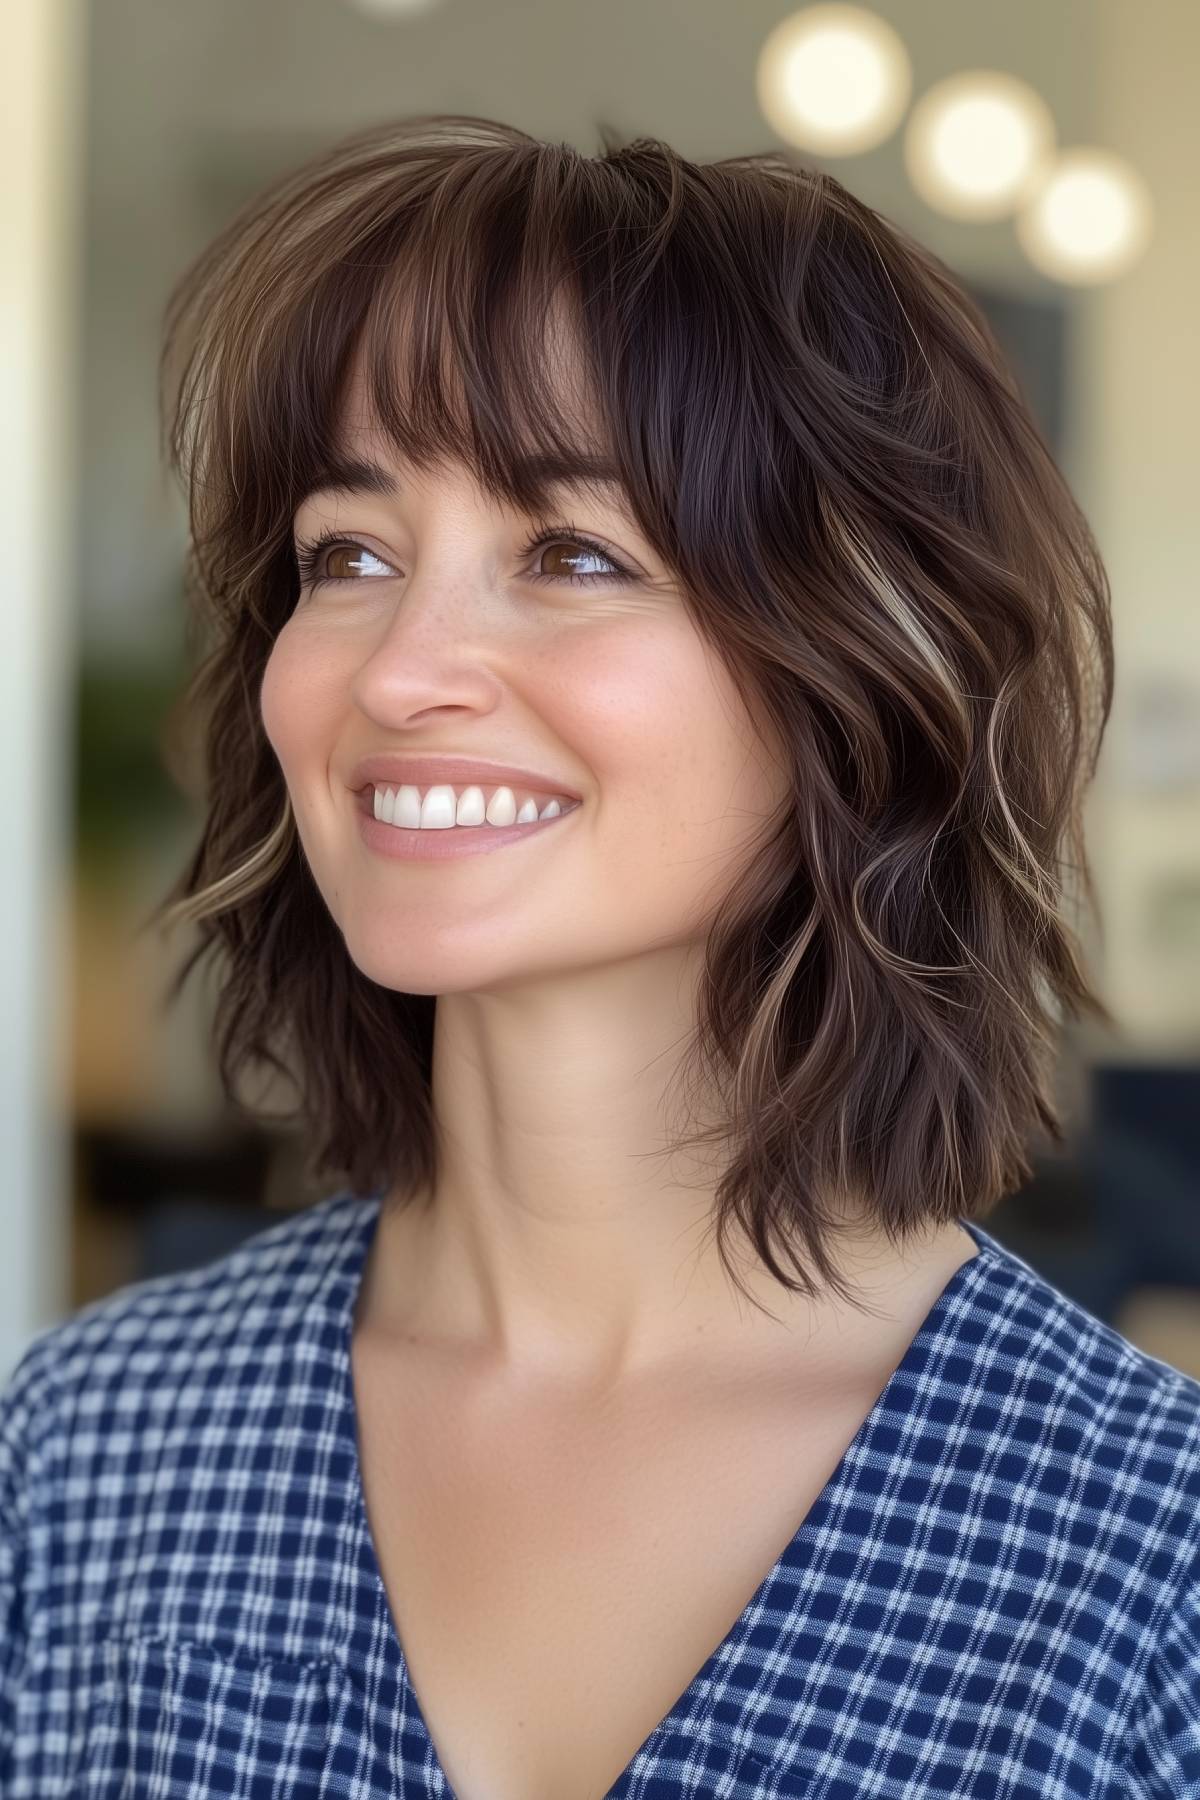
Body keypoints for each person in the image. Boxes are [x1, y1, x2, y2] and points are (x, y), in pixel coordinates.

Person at [2, 114, 1197, 1800]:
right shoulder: (90, 1453)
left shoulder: (1146, 1566)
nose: (404, 668)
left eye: (572, 553)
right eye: (349, 555)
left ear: (862, 664)